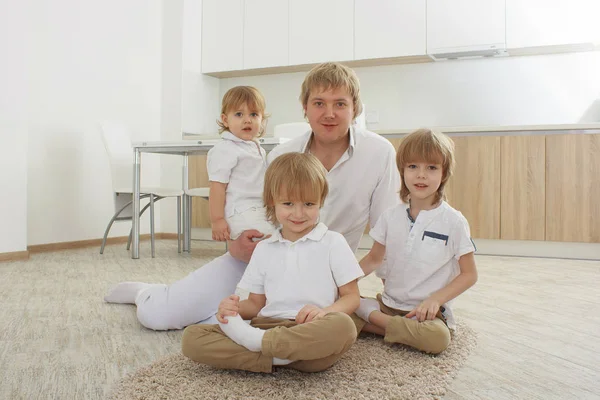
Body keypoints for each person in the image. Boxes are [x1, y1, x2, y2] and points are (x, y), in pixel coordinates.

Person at [104, 62, 400, 331]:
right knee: (161, 317)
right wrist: (235, 243)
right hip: (261, 260)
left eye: (340, 104)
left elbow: (388, 232)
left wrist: (363, 284)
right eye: (319, 103)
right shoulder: (283, 154)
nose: (329, 113)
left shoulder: (379, 153)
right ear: (305, 108)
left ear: (355, 108)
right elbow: (251, 209)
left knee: (244, 326)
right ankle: (146, 292)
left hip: (328, 276)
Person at [181, 153, 363, 373]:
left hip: (311, 328)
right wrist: (233, 309)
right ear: (271, 201)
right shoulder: (265, 249)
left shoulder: (333, 242)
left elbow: (352, 297)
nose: (298, 213)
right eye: (288, 203)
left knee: (344, 327)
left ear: (320, 201)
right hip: (267, 327)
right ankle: (281, 355)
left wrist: (325, 313)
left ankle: (262, 351)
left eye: (308, 204)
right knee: (192, 338)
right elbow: (256, 305)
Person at [355, 128, 478, 354]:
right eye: (413, 167)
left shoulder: (454, 221)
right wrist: (343, 283)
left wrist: (436, 300)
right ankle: (391, 326)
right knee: (341, 309)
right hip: (388, 305)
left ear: (444, 173)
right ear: (402, 171)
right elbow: (373, 259)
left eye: (431, 168)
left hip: (426, 314)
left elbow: (469, 274)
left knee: (438, 339)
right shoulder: (390, 216)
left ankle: (375, 324)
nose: (421, 175)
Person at [206, 85, 275, 242]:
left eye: (254, 114)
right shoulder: (225, 149)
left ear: (262, 119)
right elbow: (217, 187)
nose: (247, 120)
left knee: (281, 236)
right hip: (240, 211)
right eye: (239, 114)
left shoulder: (256, 146)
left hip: (259, 208)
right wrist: (217, 220)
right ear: (225, 120)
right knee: (269, 240)